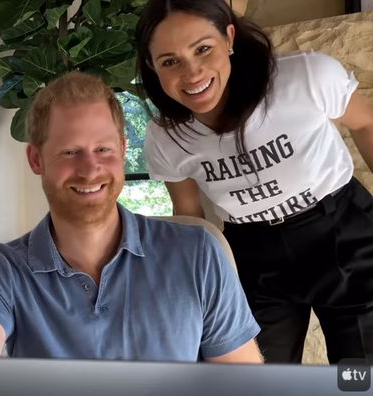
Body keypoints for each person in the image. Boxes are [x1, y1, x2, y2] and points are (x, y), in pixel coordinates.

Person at [135, 0, 373, 364]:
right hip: (253, 255)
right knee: (257, 378)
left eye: (203, 48)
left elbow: (365, 123)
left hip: (339, 232)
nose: (193, 72)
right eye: (170, 61)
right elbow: (189, 214)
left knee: (360, 374)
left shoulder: (306, 77)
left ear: (229, 37)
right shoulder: (166, 137)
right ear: (153, 67)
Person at [0, 71, 262, 363]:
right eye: (70, 152)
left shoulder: (198, 254)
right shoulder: (2, 271)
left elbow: (243, 382)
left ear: (124, 150)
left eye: (103, 149)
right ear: (36, 160)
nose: (90, 169)